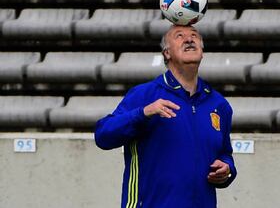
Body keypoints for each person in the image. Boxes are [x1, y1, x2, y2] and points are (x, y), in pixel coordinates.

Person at [95, 25, 237, 208]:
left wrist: (227, 170)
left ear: (202, 52)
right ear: (166, 53)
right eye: (179, 36)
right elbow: (103, 135)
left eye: (194, 36)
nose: (189, 39)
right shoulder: (145, 95)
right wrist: (143, 113)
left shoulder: (219, 105)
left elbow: (225, 154)